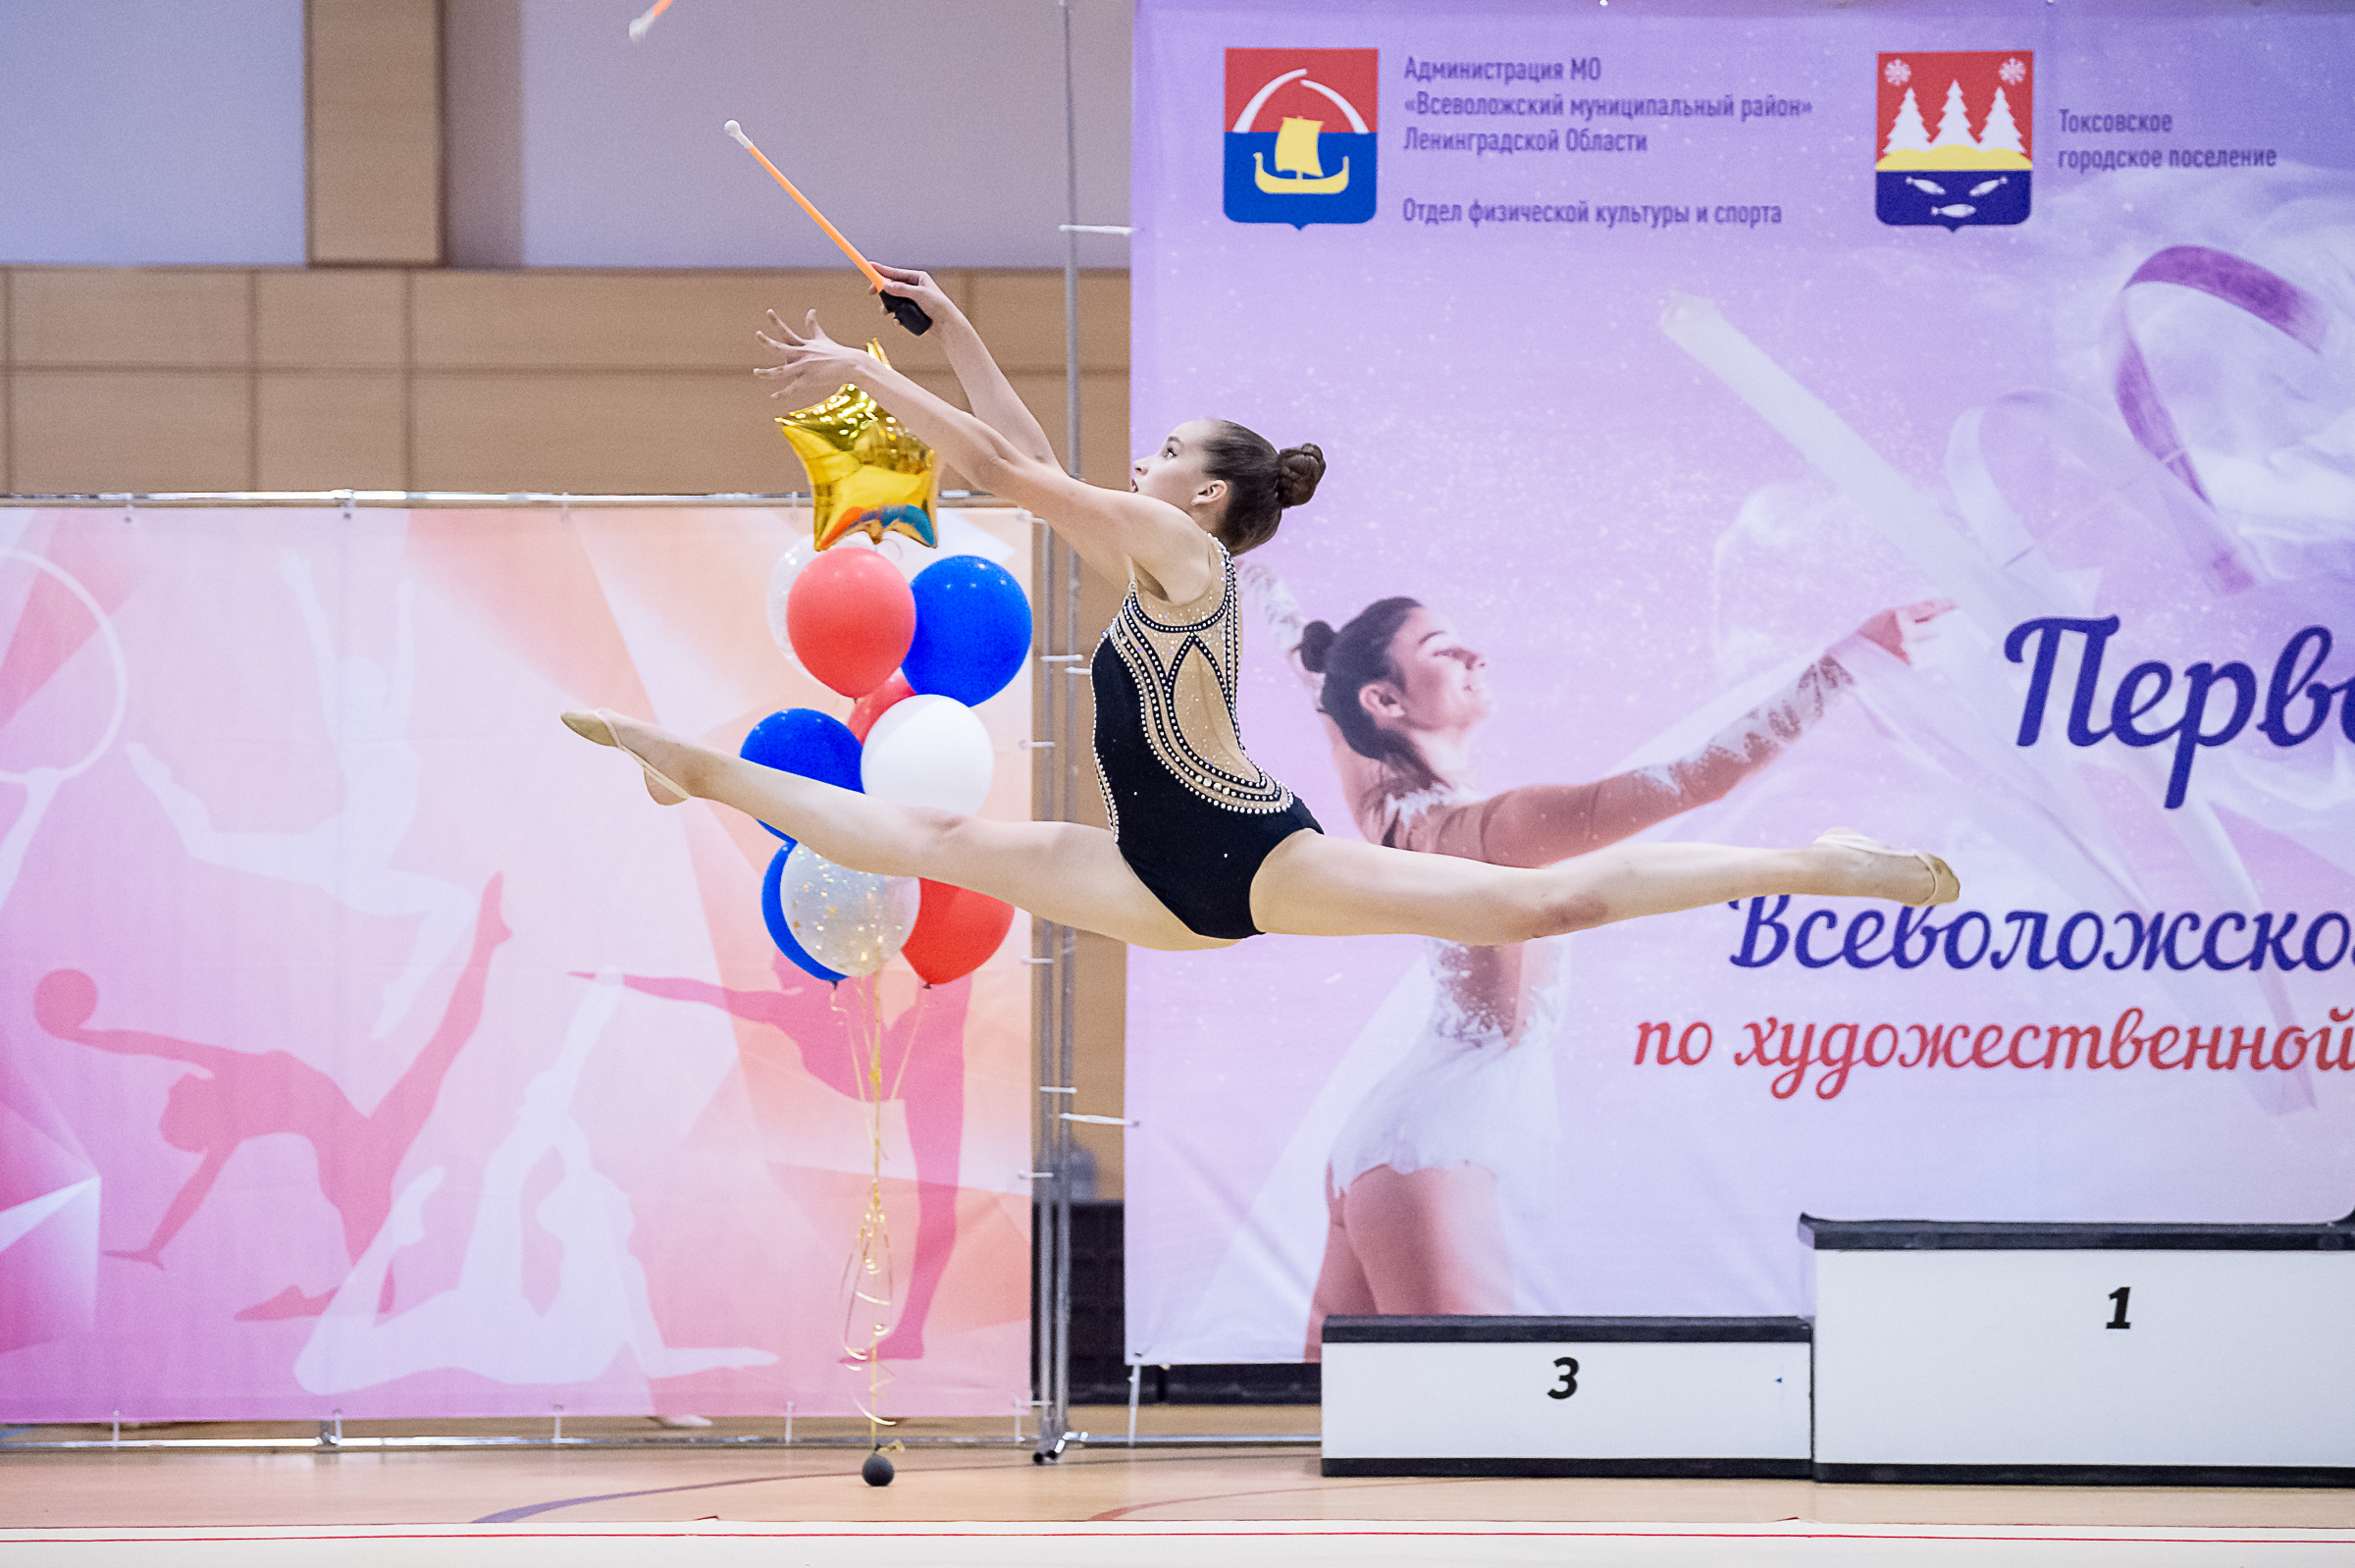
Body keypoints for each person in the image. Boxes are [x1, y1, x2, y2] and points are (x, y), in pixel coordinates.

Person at [559, 263, 1958, 957]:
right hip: (1154, 876)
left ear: (1210, 496)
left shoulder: (1185, 559)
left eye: (1167, 446)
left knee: (1523, 908)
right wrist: (949, 328)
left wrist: (864, 368)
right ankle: (690, 765)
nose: (1145, 459)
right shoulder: (1160, 551)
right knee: (921, 834)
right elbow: (1027, 457)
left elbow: (999, 468)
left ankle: (1813, 860)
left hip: (1244, 850)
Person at [1242, 572, 1948, 1349]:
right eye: (1443, 648)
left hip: (1401, 1141)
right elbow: (1700, 777)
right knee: (1467, 1426)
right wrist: (1845, 664)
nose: (1476, 652)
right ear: (1384, 700)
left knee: (1350, 1413)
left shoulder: (1377, 790)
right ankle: (1809, 865)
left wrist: (1261, 583)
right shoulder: (1487, 832)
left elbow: (1313, 672)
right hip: (1436, 1149)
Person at [33, 876, 509, 1319]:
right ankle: (297, 1305)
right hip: (355, 1165)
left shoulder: (227, 1093)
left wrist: (83, 1037)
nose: (173, 1087)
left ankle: (486, 943)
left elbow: (151, 1047)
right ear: (196, 1113)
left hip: (362, 1145)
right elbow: (156, 1061)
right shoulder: (232, 1094)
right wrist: (81, 1037)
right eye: (173, 1104)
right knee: (379, 1294)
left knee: (446, 1043)